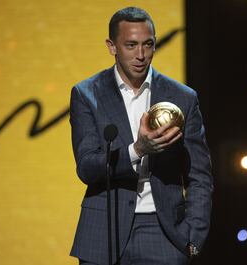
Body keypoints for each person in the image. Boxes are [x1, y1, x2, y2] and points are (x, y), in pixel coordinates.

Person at [69, 6, 213, 265]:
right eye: (131, 45)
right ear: (112, 46)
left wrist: (193, 236)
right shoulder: (87, 94)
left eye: (147, 45)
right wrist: (138, 149)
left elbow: (199, 174)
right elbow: (87, 167)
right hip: (104, 231)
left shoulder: (183, 97)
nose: (141, 55)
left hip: (163, 232)